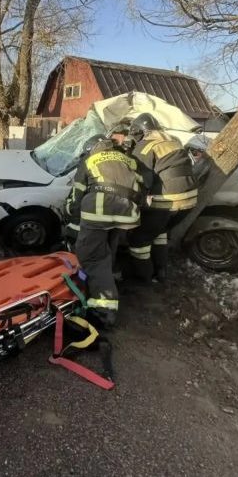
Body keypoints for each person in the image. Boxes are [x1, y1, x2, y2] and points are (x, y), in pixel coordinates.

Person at [65, 137, 143, 328]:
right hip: (127, 214)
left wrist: (69, 212)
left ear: (91, 149)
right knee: (108, 247)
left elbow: (77, 196)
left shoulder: (90, 160)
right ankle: (110, 273)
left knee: (91, 257)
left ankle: (103, 311)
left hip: (99, 211)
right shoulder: (127, 159)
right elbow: (142, 184)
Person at [126, 113, 199, 283]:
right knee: (159, 232)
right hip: (189, 201)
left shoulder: (145, 146)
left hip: (167, 202)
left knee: (139, 240)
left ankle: (143, 277)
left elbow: (142, 180)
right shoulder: (173, 141)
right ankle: (161, 272)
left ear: (139, 132)